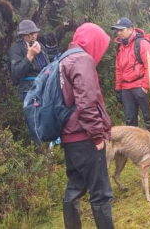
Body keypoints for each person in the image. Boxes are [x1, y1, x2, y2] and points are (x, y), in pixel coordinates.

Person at [60, 23, 115, 228]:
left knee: (75, 186)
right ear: (94, 42)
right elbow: (86, 103)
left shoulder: (64, 58)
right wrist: (97, 136)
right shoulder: (83, 60)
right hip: (84, 136)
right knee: (100, 192)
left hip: (69, 136)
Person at [112, 17, 150, 132]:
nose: (119, 33)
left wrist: (145, 87)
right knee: (130, 120)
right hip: (126, 89)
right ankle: (135, 148)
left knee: (149, 118)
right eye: (117, 31)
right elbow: (118, 69)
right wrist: (118, 89)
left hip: (140, 86)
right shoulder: (120, 47)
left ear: (131, 29)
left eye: (121, 30)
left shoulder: (142, 43)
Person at [9, 20, 50, 103]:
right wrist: (29, 56)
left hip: (46, 88)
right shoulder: (16, 48)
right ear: (23, 35)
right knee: (34, 115)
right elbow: (16, 74)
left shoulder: (41, 46)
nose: (33, 36)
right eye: (30, 34)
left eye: (34, 33)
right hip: (29, 90)